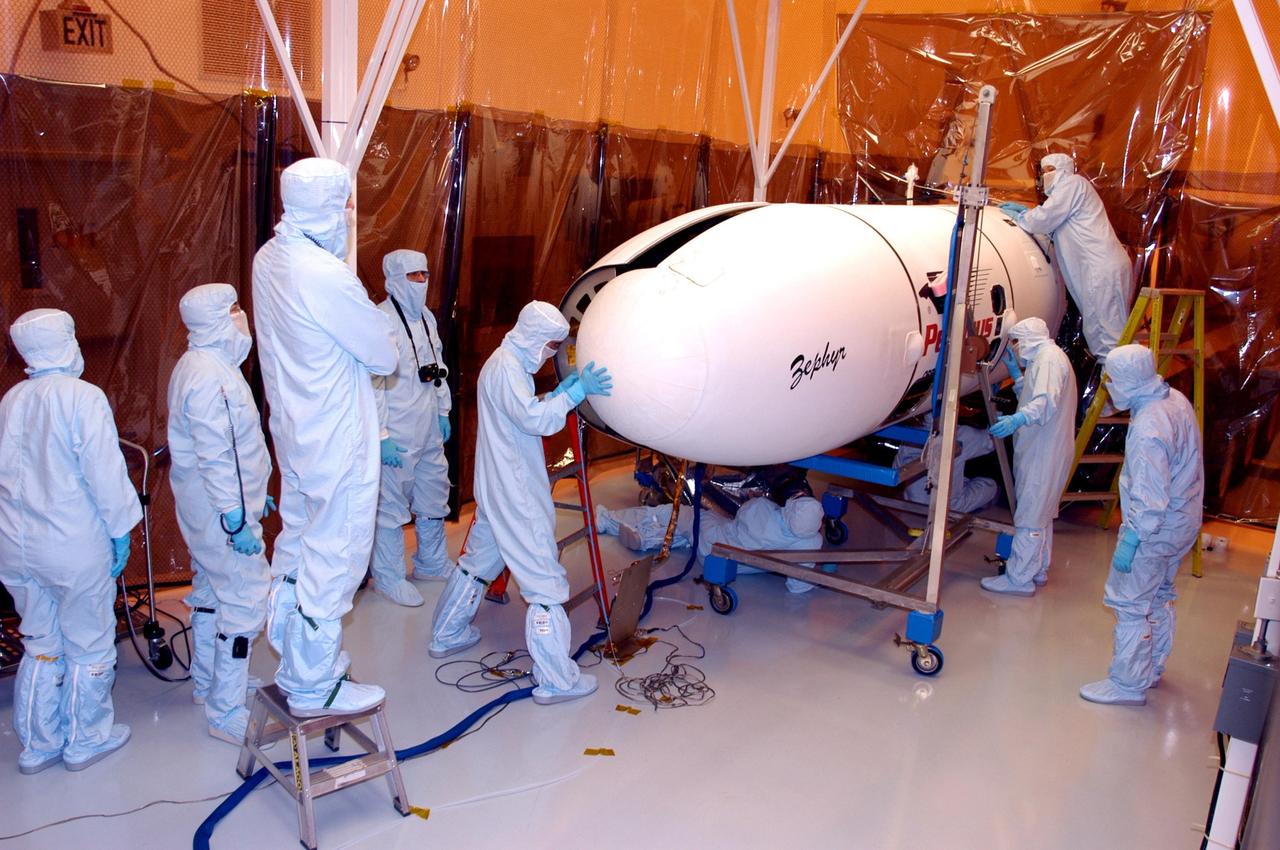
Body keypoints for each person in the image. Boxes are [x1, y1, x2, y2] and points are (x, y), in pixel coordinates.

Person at [253, 157, 399, 717]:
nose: (346, 216)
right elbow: (382, 352)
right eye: (343, 204)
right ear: (326, 208)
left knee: (297, 542)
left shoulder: (271, 259)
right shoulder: (324, 274)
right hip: (336, 438)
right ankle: (317, 686)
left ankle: (292, 653)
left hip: (295, 434)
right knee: (334, 555)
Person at [429, 301, 611, 705]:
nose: (551, 353)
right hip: (516, 493)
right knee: (543, 580)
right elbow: (535, 421)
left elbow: (522, 410)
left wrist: (556, 393)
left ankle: (447, 633)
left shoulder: (503, 363)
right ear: (532, 337)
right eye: (549, 345)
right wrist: (574, 394)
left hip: (496, 488)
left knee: (477, 564)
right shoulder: (508, 370)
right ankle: (556, 679)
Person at [0, 309, 141, 773]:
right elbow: (104, 470)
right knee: (89, 640)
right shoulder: (83, 398)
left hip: (16, 545)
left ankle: (38, 744)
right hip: (71, 544)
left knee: (40, 639)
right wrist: (122, 526)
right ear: (65, 341)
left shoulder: (12, 399)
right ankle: (87, 739)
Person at [168, 284, 272, 744]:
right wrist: (236, 518)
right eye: (231, 310)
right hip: (220, 513)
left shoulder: (203, 365)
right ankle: (225, 708)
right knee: (246, 598)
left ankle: (206, 682)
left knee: (210, 588)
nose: (240, 317)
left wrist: (254, 495)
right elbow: (216, 455)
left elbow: (232, 451)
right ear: (211, 320)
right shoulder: (209, 375)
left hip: (209, 506)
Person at [1080, 345, 1203, 706]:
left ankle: (1128, 683)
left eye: (1113, 379)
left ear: (1131, 380)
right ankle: (1152, 665)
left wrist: (1132, 538)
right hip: (1183, 522)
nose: (1109, 386)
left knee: (1131, 602)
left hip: (1155, 529)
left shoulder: (1148, 426)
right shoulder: (1173, 399)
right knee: (1160, 593)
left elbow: (1150, 498)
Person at [368, 250, 454, 607]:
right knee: (390, 506)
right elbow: (373, 383)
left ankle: (431, 562)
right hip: (398, 432)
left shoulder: (427, 319)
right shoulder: (380, 321)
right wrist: (382, 436)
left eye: (425, 274)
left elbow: (437, 365)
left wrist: (443, 410)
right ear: (394, 279)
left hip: (428, 426)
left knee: (433, 495)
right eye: (413, 275)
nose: (421, 282)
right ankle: (388, 576)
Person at [1000, 153, 1133, 357]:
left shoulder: (1073, 184)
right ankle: (1123, 376)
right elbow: (1053, 221)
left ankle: (1125, 381)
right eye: (1043, 171)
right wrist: (1031, 214)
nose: (1045, 176)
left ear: (1064, 169)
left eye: (1050, 170)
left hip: (1100, 267)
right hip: (1101, 266)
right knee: (1104, 326)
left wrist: (1024, 216)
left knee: (1107, 331)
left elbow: (1045, 218)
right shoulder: (1070, 192)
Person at [981, 317, 1077, 597]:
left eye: (1017, 342)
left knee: (1031, 514)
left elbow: (1044, 404)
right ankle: (1038, 569)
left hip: (1043, 451)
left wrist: (1017, 419)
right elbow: (1036, 394)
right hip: (1046, 448)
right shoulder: (1048, 358)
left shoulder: (1048, 360)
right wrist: (1018, 375)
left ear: (1027, 340)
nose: (1015, 348)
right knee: (1042, 512)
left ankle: (1019, 578)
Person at [597, 494, 826, 593]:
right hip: (736, 567)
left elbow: (740, 515)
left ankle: (608, 520)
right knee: (689, 535)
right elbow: (797, 587)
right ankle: (651, 538)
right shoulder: (811, 543)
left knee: (682, 514)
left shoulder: (763, 508)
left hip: (713, 544)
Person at [892, 415, 998, 515]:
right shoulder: (964, 434)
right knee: (991, 487)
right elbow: (992, 441)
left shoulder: (910, 435)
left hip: (912, 500)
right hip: (944, 505)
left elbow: (897, 468)